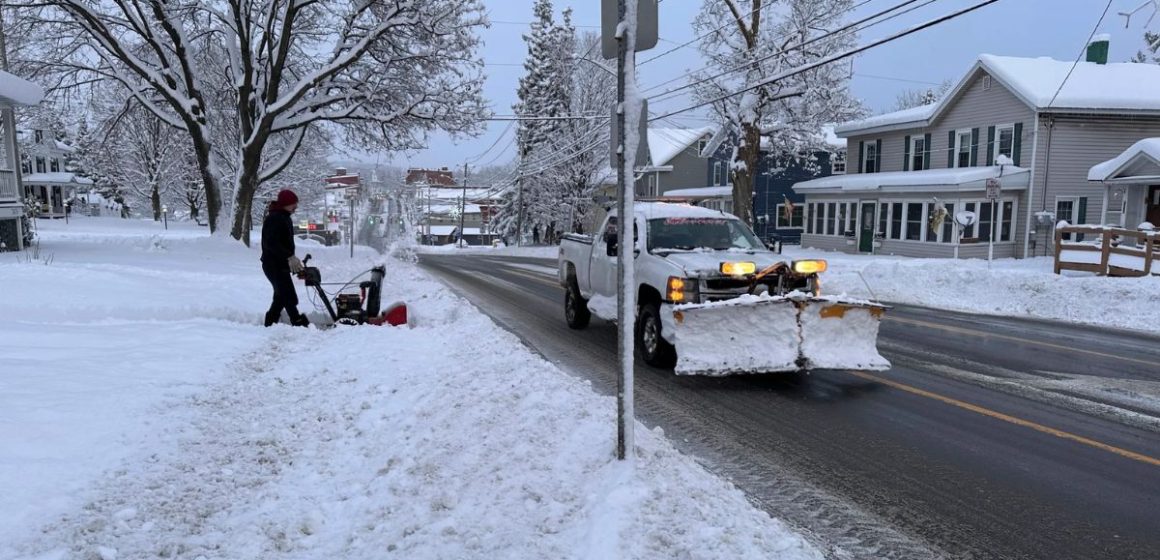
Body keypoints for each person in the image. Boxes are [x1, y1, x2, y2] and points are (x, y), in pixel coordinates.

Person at [261, 189, 309, 327]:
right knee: (287, 294)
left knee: (281, 295)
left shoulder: (283, 216)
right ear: (285, 204)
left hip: (281, 263)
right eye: (293, 204)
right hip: (273, 264)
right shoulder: (275, 218)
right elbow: (271, 243)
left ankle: (270, 323)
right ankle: (297, 321)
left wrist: (291, 258)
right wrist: (289, 256)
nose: (296, 207)